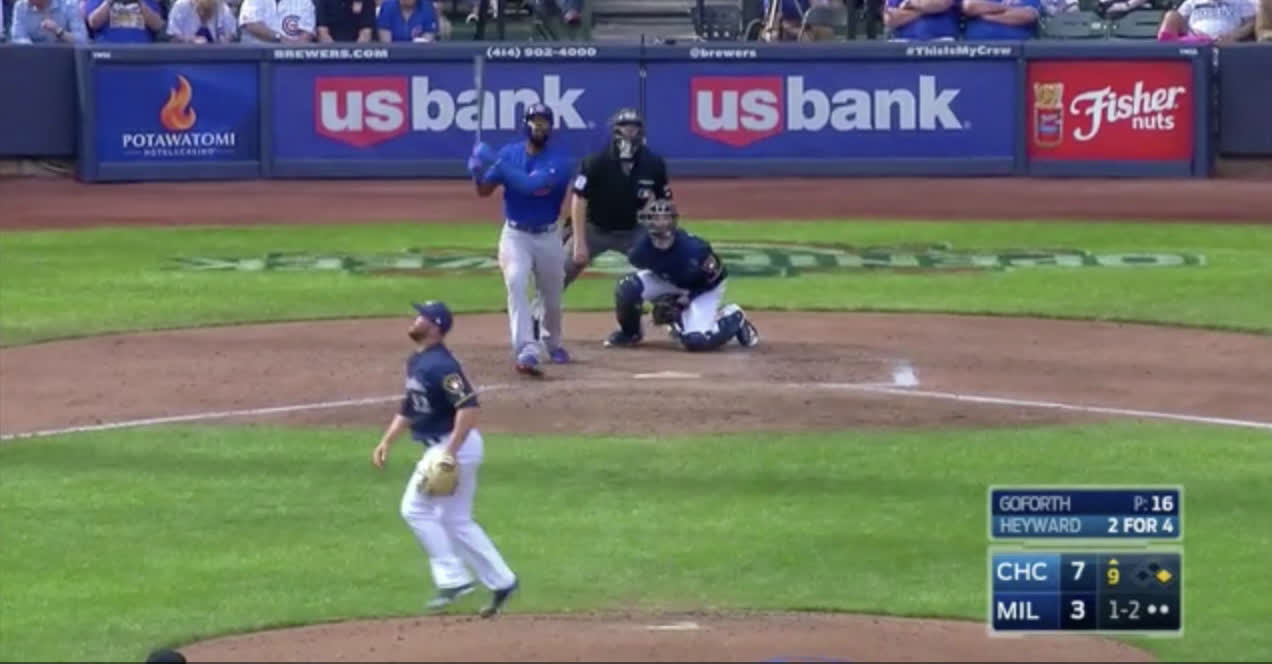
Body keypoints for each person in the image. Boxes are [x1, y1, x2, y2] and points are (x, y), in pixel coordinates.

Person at [372, 300, 519, 618]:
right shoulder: (417, 361)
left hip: (454, 445)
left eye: (421, 317)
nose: (415, 319)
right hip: (450, 446)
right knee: (456, 519)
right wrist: (387, 441)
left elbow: (469, 408)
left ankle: (453, 579)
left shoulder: (443, 365)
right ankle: (502, 580)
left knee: (414, 509)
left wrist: (449, 452)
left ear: (435, 326)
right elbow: (410, 406)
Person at [531, 108, 672, 342]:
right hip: (593, 228)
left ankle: (673, 318)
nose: (630, 134)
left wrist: (660, 236)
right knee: (558, 271)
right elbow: (579, 200)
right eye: (625, 129)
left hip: (633, 230)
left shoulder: (654, 164)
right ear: (615, 132)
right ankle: (537, 316)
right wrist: (579, 243)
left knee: (664, 268)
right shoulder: (595, 162)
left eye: (634, 128)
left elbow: (663, 202)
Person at [468, 103, 574, 378]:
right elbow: (484, 191)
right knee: (515, 282)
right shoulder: (509, 154)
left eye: (544, 122)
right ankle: (526, 348)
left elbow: (529, 186)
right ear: (525, 124)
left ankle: (553, 342)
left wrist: (496, 162)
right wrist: (477, 172)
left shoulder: (560, 161)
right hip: (516, 235)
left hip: (549, 235)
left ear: (551, 127)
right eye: (535, 121)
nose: (539, 127)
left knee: (552, 296)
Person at [605, 198, 761, 352]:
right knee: (628, 287)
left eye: (664, 218)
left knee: (696, 341)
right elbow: (652, 271)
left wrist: (682, 302)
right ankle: (630, 333)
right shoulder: (639, 251)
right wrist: (663, 299)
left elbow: (717, 276)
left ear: (673, 221)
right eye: (654, 218)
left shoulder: (694, 250)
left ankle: (734, 317)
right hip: (671, 280)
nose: (659, 223)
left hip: (704, 287)